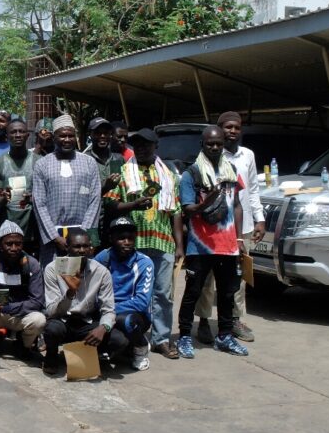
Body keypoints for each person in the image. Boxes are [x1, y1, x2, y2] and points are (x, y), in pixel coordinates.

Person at [104, 128, 183, 359]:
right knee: (131, 293)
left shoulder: (168, 175)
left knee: (163, 294)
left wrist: (179, 245)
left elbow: (176, 211)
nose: (141, 148)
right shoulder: (124, 172)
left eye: (146, 144)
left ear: (155, 146)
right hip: (133, 244)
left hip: (162, 242)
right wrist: (133, 205)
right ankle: (133, 338)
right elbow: (110, 205)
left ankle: (161, 339)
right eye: (137, 145)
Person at [174, 126, 249, 359]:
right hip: (200, 246)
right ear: (202, 145)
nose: (215, 147)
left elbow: (237, 204)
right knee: (193, 292)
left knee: (227, 293)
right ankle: (184, 336)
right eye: (210, 144)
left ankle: (224, 336)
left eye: (218, 144)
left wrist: (239, 237)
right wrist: (209, 201)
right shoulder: (192, 174)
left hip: (228, 246)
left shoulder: (231, 170)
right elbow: (188, 210)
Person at [193, 111, 265, 344]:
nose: (233, 131)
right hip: (214, 228)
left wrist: (260, 219)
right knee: (207, 278)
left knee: (238, 277)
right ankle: (204, 320)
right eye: (228, 127)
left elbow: (252, 190)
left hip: (242, 226)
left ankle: (234, 319)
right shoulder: (210, 153)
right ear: (219, 129)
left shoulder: (248, 155)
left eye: (237, 127)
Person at [42, 229, 129, 376]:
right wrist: (70, 293)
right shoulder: (53, 268)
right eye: (77, 246)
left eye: (85, 246)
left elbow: (108, 309)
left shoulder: (101, 272)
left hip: (86, 322)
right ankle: (51, 355)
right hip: (62, 320)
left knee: (119, 340)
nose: (82, 250)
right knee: (52, 329)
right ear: (67, 247)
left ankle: (89, 355)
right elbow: (51, 310)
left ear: (91, 248)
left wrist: (103, 327)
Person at [31, 114, 102, 265]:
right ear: (54, 137)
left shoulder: (89, 163)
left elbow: (95, 200)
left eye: (71, 135)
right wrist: (55, 237)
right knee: (54, 275)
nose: (67, 139)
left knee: (83, 275)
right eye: (62, 136)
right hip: (54, 238)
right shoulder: (42, 164)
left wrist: (82, 237)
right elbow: (39, 204)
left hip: (83, 237)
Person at [0, 221, 45, 360]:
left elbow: (37, 301)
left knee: (39, 320)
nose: (14, 248)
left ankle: (24, 345)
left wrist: (8, 308)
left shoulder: (32, 264)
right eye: (9, 244)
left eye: (18, 244)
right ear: (0, 244)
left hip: (19, 314)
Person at [94, 217, 153, 371]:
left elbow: (141, 302)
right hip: (105, 309)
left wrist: (109, 310)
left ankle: (141, 347)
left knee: (126, 321)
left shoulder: (144, 263)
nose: (126, 242)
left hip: (133, 314)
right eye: (121, 238)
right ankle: (119, 348)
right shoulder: (103, 257)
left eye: (130, 238)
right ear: (111, 239)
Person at [0, 118, 41, 251]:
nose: (17, 135)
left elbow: (46, 197)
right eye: (13, 132)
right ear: (7, 136)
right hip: (6, 233)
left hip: (32, 230)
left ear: (27, 135)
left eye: (21, 131)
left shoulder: (39, 162)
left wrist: (32, 198)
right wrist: (3, 198)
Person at [84, 117, 125, 244]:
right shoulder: (83, 160)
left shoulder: (118, 159)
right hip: (92, 219)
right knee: (93, 249)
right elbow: (82, 194)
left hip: (114, 219)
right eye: (98, 133)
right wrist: (105, 187)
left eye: (106, 133)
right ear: (90, 134)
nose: (102, 136)